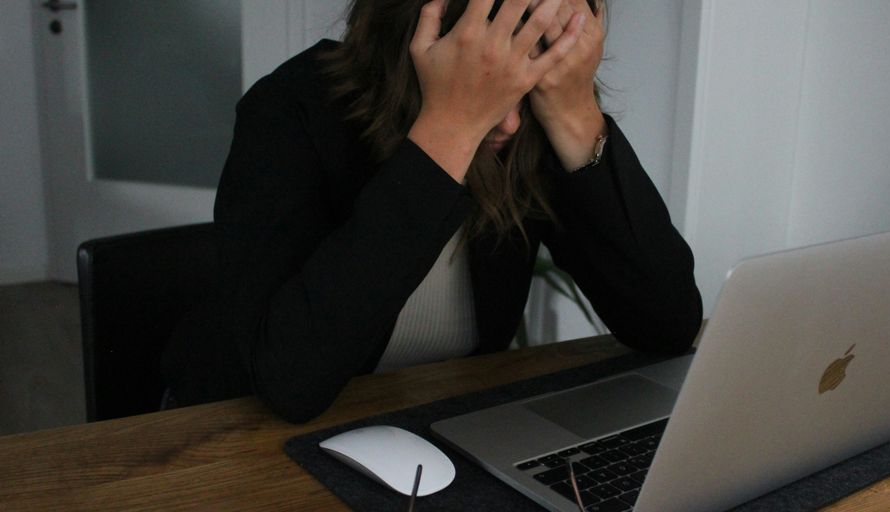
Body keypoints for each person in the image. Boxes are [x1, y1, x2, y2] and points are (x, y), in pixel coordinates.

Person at [160, 0, 702, 423]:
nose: (510, 123)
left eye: (530, 78)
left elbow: (667, 324)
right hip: (229, 433)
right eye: (487, 80)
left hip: (431, 423)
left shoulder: (535, 124)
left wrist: (575, 112)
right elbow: (291, 381)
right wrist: (450, 132)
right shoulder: (288, 109)